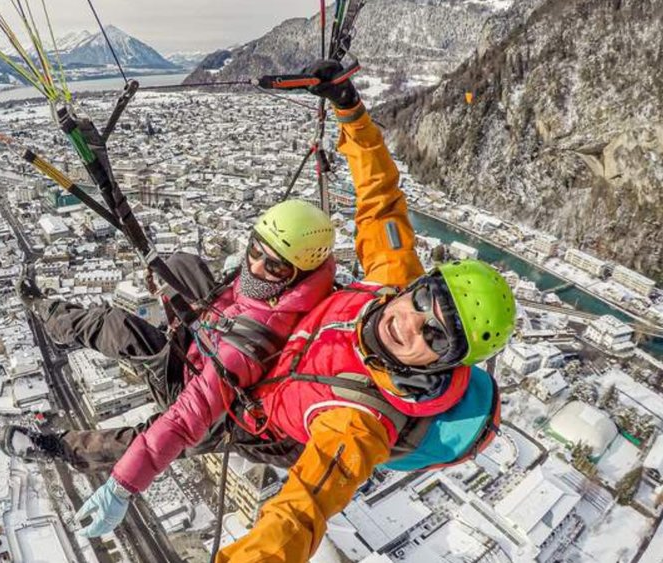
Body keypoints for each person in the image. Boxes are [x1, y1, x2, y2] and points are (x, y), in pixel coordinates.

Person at [64, 58, 517, 561]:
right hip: (287, 351)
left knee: (179, 416)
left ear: (445, 363)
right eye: (426, 302)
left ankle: (73, 451)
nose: (409, 324)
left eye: (436, 339)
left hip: (266, 420)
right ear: (420, 284)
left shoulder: (356, 428)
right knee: (181, 273)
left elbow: (296, 519)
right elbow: (381, 201)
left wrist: (126, 487)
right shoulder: (392, 280)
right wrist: (351, 112)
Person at [7, 198, 339, 535]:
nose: (256, 267)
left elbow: (183, 421)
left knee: (124, 337)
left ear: (299, 273)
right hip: (218, 353)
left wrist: (121, 488)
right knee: (181, 266)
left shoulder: (251, 344)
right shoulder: (296, 287)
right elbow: (242, 300)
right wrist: (184, 301)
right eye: (254, 250)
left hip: (232, 412)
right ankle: (163, 316)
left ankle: (57, 447)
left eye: (274, 267)